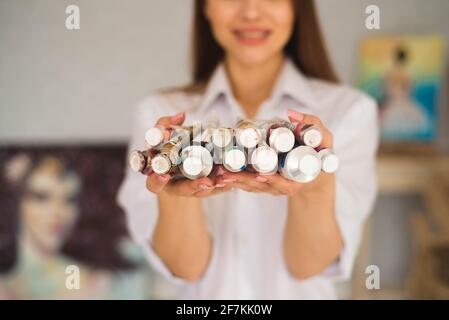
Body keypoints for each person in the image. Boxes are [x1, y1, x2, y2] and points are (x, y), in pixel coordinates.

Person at [118, 0, 378, 299]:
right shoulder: (160, 116)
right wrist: (174, 192)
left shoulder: (349, 112)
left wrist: (315, 190)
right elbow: (186, 268)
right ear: (205, 7)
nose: (251, 11)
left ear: (297, 7)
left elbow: (308, 267)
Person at [0, 152, 152, 299]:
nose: (57, 212)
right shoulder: (6, 286)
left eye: (69, 200)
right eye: (41, 197)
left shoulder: (100, 282)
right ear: (17, 202)